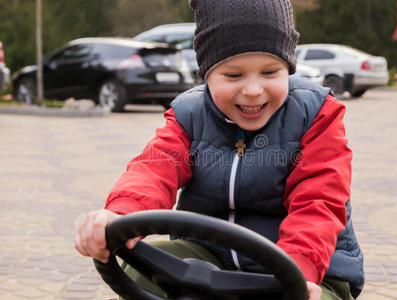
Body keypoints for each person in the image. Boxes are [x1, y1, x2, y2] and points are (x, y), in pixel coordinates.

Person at [75, 0, 364, 299]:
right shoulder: (189, 115)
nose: (253, 90)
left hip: (309, 270)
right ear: (207, 73)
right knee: (143, 268)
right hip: (211, 258)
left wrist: (299, 270)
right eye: (233, 75)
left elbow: (319, 200)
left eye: (270, 72)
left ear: (288, 68)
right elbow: (153, 167)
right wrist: (119, 213)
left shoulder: (317, 115)